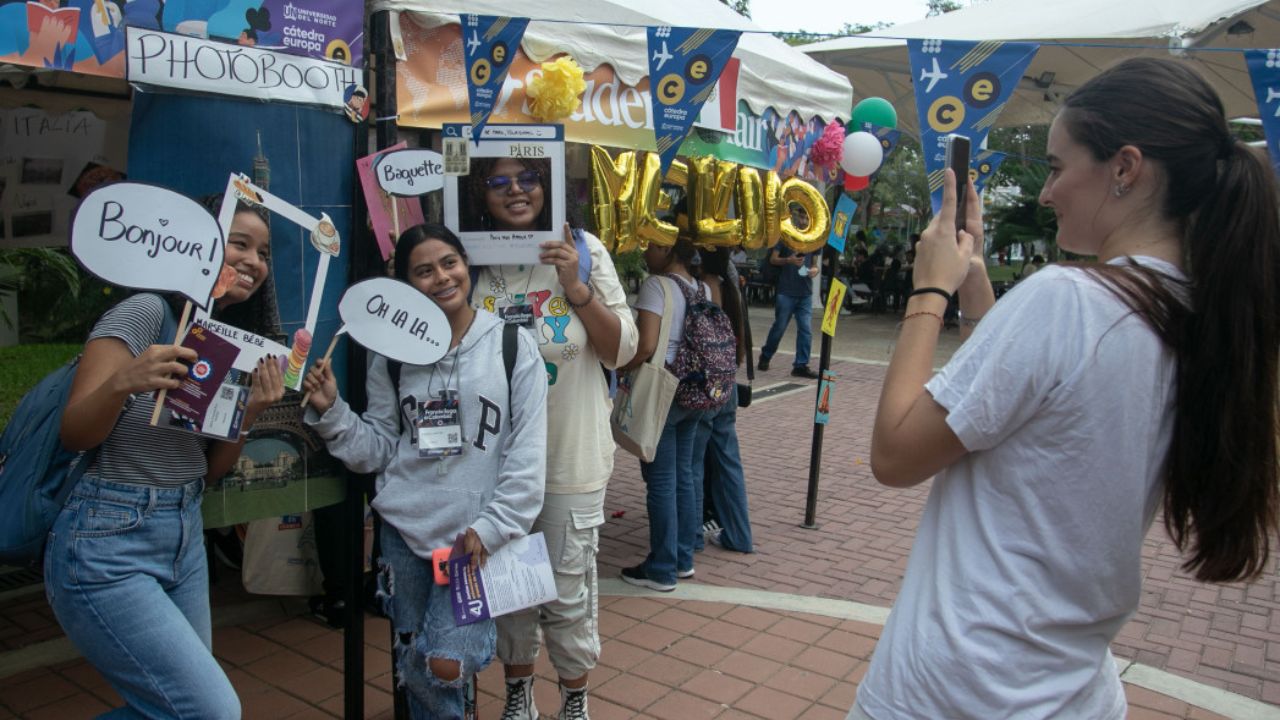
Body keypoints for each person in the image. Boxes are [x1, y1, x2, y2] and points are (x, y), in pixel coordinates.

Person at [850, 57, 1280, 720]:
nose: (1046, 194)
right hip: (1070, 693)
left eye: (1055, 167)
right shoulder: (1198, 322)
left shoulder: (1065, 300)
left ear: (1125, 169)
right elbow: (1032, 393)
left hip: (954, 687)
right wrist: (973, 280)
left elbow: (895, 454)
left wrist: (928, 288)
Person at [47, 197, 286, 719]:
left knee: (178, 709)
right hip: (106, 537)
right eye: (239, 244)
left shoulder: (224, 339)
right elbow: (74, 433)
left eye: (263, 251)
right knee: (210, 711)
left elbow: (210, 469)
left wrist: (250, 411)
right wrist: (125, 383)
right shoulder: (147, 312)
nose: (253, 261)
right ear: (196, 243)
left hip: (183, 532)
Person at [302, 224, 548, 719]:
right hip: (404, 534)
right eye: (423, 271)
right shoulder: (390, 354)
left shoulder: (511, 345)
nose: (441, 277)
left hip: (476, 540)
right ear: (406, 284)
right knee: (413, 661)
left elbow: (528, 453)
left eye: (449, 263)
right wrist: (331, 411)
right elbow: (377, 448)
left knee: (443, 664)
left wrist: (494, 525)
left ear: (466, 264)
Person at [468, 157, 637, 720]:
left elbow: (622, 352)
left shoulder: (584, 251)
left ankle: (573, 698)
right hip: (498, 465)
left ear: (549, 185)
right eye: (499, 181)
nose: (516, 190)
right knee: (511, 589)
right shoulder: (468, 258)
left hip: (569, 457)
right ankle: (519, 692)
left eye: (528, 178)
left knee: (567, 593)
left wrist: (576, 287)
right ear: (481, 193)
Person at [618, 234, 715, 591]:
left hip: (664, 392)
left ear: (667, 249)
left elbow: (645, 345)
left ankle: (661, 567)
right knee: (685, 475)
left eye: (650, 245)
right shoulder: (701, 288)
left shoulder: (656, 286)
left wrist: (620, 367)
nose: (645, 251)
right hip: (694, 391)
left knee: (661, 480)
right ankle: (683, 558)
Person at [692, 248, 754, 554]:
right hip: (727, 383)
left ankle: (691, 535)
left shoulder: (703, 288)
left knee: (692, 463)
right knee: (729, 463)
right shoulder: (729, 282)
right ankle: (740, 534)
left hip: (706, 388)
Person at [757, 206, 818, 379]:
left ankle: (801, 365)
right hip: (786, 291)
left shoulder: (814, 239)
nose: (804, 221)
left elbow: (815, 263)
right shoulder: (785, 236)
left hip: (805, 291)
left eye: (808, 218)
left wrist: (815, 270)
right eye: (802, 216)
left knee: (806, 329)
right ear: (796, 217)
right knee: (780, 327)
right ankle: (766, 355)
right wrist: (789, 260)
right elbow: (773, 259)